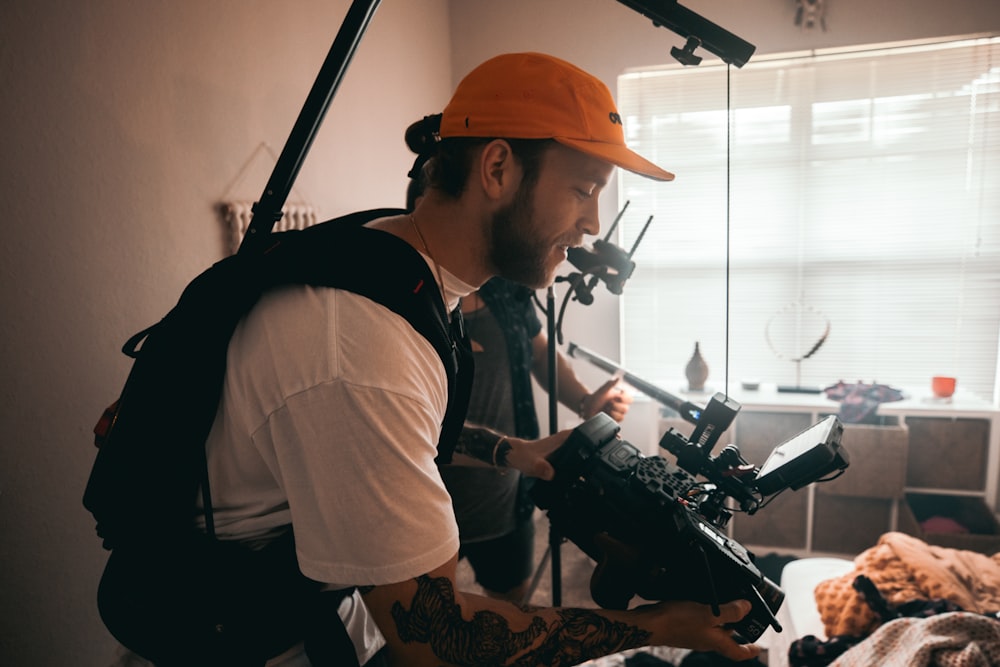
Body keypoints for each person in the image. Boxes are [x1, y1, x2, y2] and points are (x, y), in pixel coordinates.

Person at [198, 52, 760, 666]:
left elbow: (414, 427)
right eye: (583, 189)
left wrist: (509, 451)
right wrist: (649, 625)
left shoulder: (400, 266)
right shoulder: (361, 342)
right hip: (250, 639)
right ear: (497, 167)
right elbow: (439, 640)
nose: (593, 224)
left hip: (328, 607)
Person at [444, 277, 633, 605]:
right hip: (429, 503)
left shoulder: (505, 288)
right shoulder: (413, 298)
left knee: (512, 608)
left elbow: (540, 353)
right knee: (429, 625)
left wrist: (585, 402)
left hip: (505, 502)